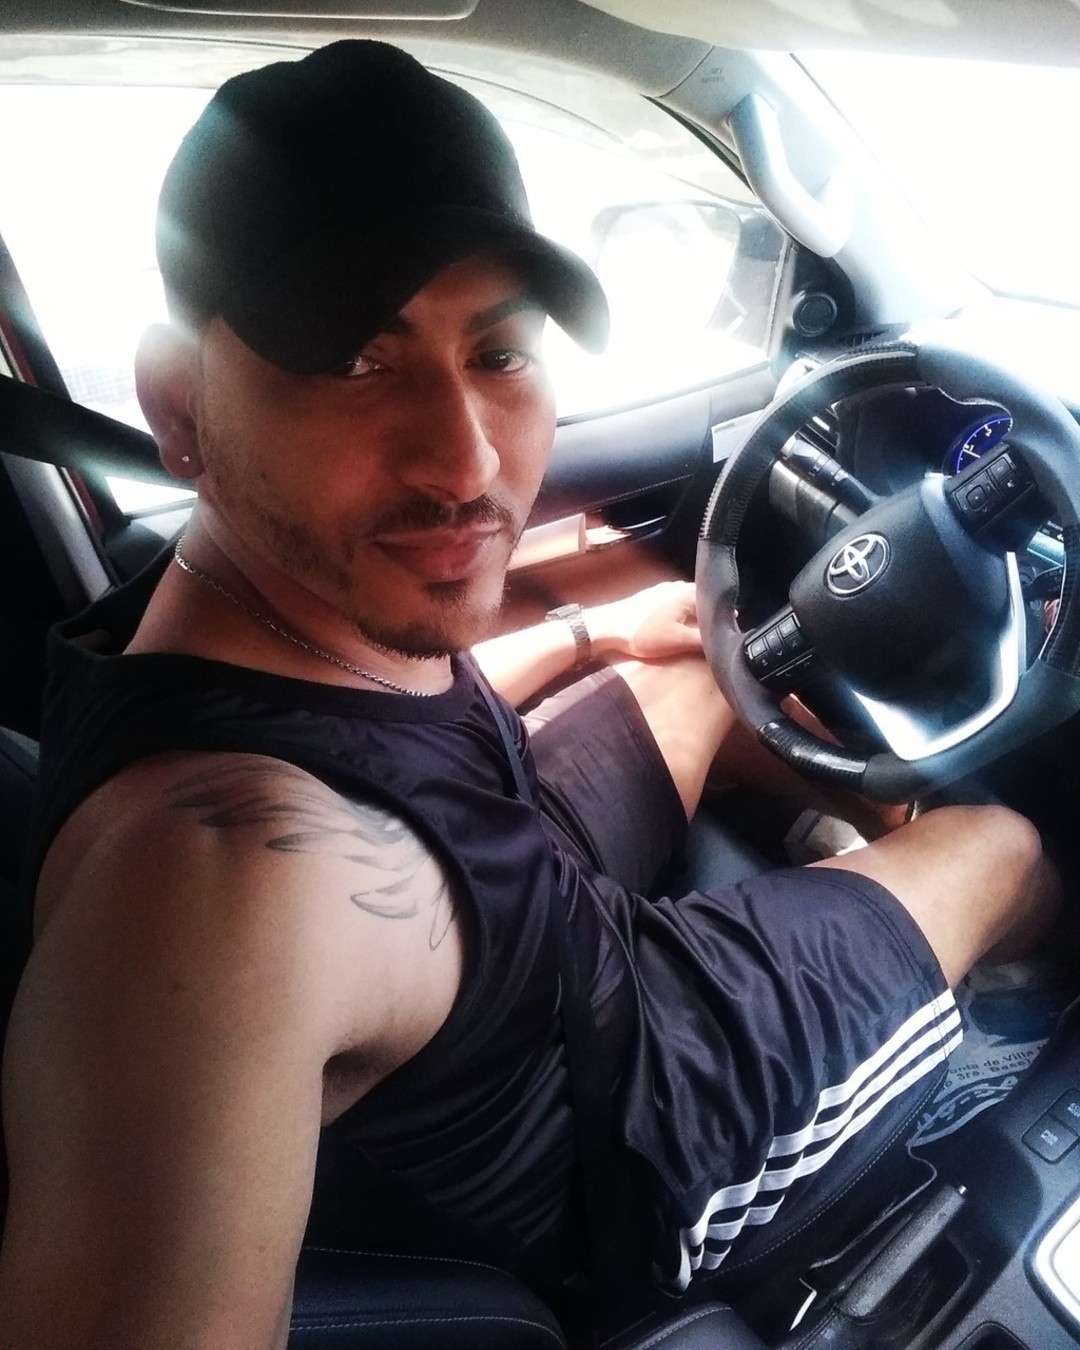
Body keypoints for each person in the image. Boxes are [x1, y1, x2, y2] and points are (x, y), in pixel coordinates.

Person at [0, 38, 1060, 1350]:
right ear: (178, 407)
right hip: (636, 1136)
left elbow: (391, 720)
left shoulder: (230, 608)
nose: (466, 463)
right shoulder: (219, 893)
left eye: (500, 352)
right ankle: (988, 1020)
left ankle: (834, 863)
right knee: (1007, 844)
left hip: (527, 922)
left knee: (697, 658)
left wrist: (592, 632)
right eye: (358, 362)